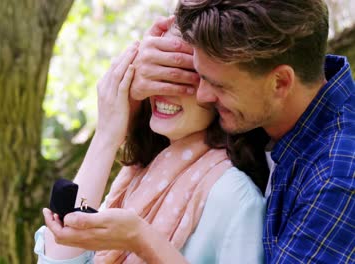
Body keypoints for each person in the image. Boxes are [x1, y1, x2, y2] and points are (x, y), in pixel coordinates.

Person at [132, 1, 355, 263]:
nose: (203, 96)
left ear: (280, 82)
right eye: (199, 75)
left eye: (219, 85)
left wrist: (140, 239)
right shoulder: (273, 114)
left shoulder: (337, 176)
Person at [34, 26, 269, 263]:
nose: (163, 90)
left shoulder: (234, 195)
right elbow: (60, 256)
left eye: (183, 76)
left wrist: (140, 238)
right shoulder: (139, 176)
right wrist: (106, 136)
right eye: (157, 75)